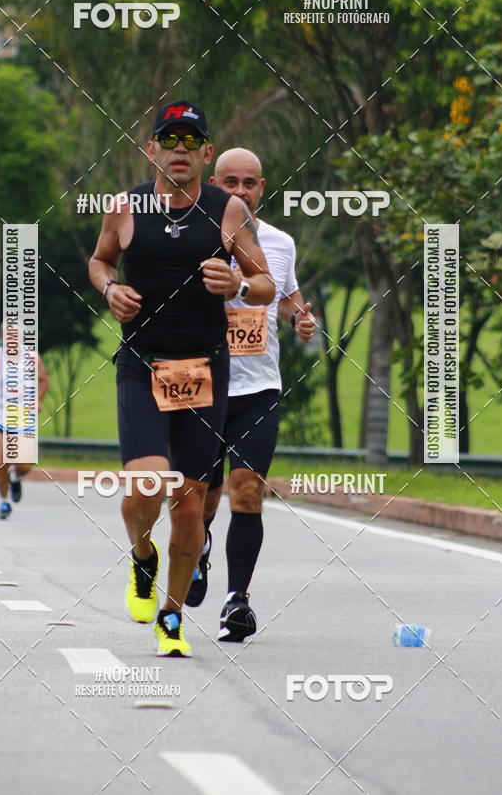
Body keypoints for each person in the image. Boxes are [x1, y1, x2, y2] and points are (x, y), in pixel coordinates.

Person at [89, 101, 275, 657]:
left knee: (191, 504)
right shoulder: (125, 207)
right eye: (169, 140)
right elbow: (100, 262)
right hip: (142, 364)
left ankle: (171, 617)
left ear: (206, 153)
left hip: (204, 368)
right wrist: (109, 289)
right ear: (151, 150)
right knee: (147, 484)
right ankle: (142, 556)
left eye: (190, 141)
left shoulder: (229, 210)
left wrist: (237, 284)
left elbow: (266, 284)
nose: (179, 150)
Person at [184, 148, 316, 642]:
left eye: (249, 183)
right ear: (214, 183)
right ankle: (198, 549)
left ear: (262, 187)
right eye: (230, 182)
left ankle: (237, 600)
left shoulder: (280, 242)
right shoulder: (191, 236)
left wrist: (299, 318)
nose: (240, 191)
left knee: (247, 489)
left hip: (258, 387)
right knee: (201, 497)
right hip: (202, 383)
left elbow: (285, 297)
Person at [0, 324, 48, 518]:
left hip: (23, 417)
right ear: (1, 336)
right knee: (1, 461)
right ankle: (5, 500)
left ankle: (15, 477)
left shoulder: (32, 357)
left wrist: (38, 400)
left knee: (25, 464)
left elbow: (43, 380)